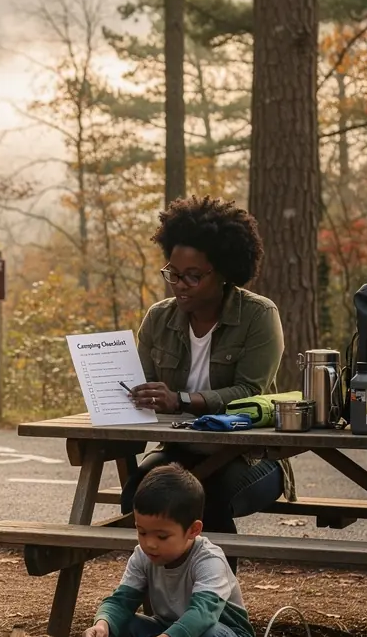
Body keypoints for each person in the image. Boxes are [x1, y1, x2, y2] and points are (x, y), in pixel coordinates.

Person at [122, 196, 290, 547]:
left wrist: (182, 400)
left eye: (193, 276)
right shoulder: (159, 318)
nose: (179, 284)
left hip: (251, 455)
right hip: (179, 451)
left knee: (203, 497)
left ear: (224, 272)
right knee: (137, 494)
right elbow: (142, 388)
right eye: (173, 273)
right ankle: (159, 599)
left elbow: (250, 392)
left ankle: (216, 598)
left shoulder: (258, 316)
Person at [83, 464, 257, 637]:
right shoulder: (143, 556)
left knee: (207, 634)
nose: (149, 544)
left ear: (193, 530)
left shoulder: (209, 560)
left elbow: (201, 616)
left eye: (162, 536)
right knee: (122, 625)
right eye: (141, 532)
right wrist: (103, 624)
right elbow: (121, 601)